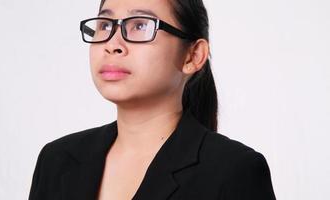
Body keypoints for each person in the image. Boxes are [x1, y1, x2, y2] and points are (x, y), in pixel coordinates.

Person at [28, 0, 276, 199]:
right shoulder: (57, 160)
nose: (113, 44)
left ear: (193, 55)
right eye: (105, 25)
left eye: (140, 25)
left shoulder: (233, 170)